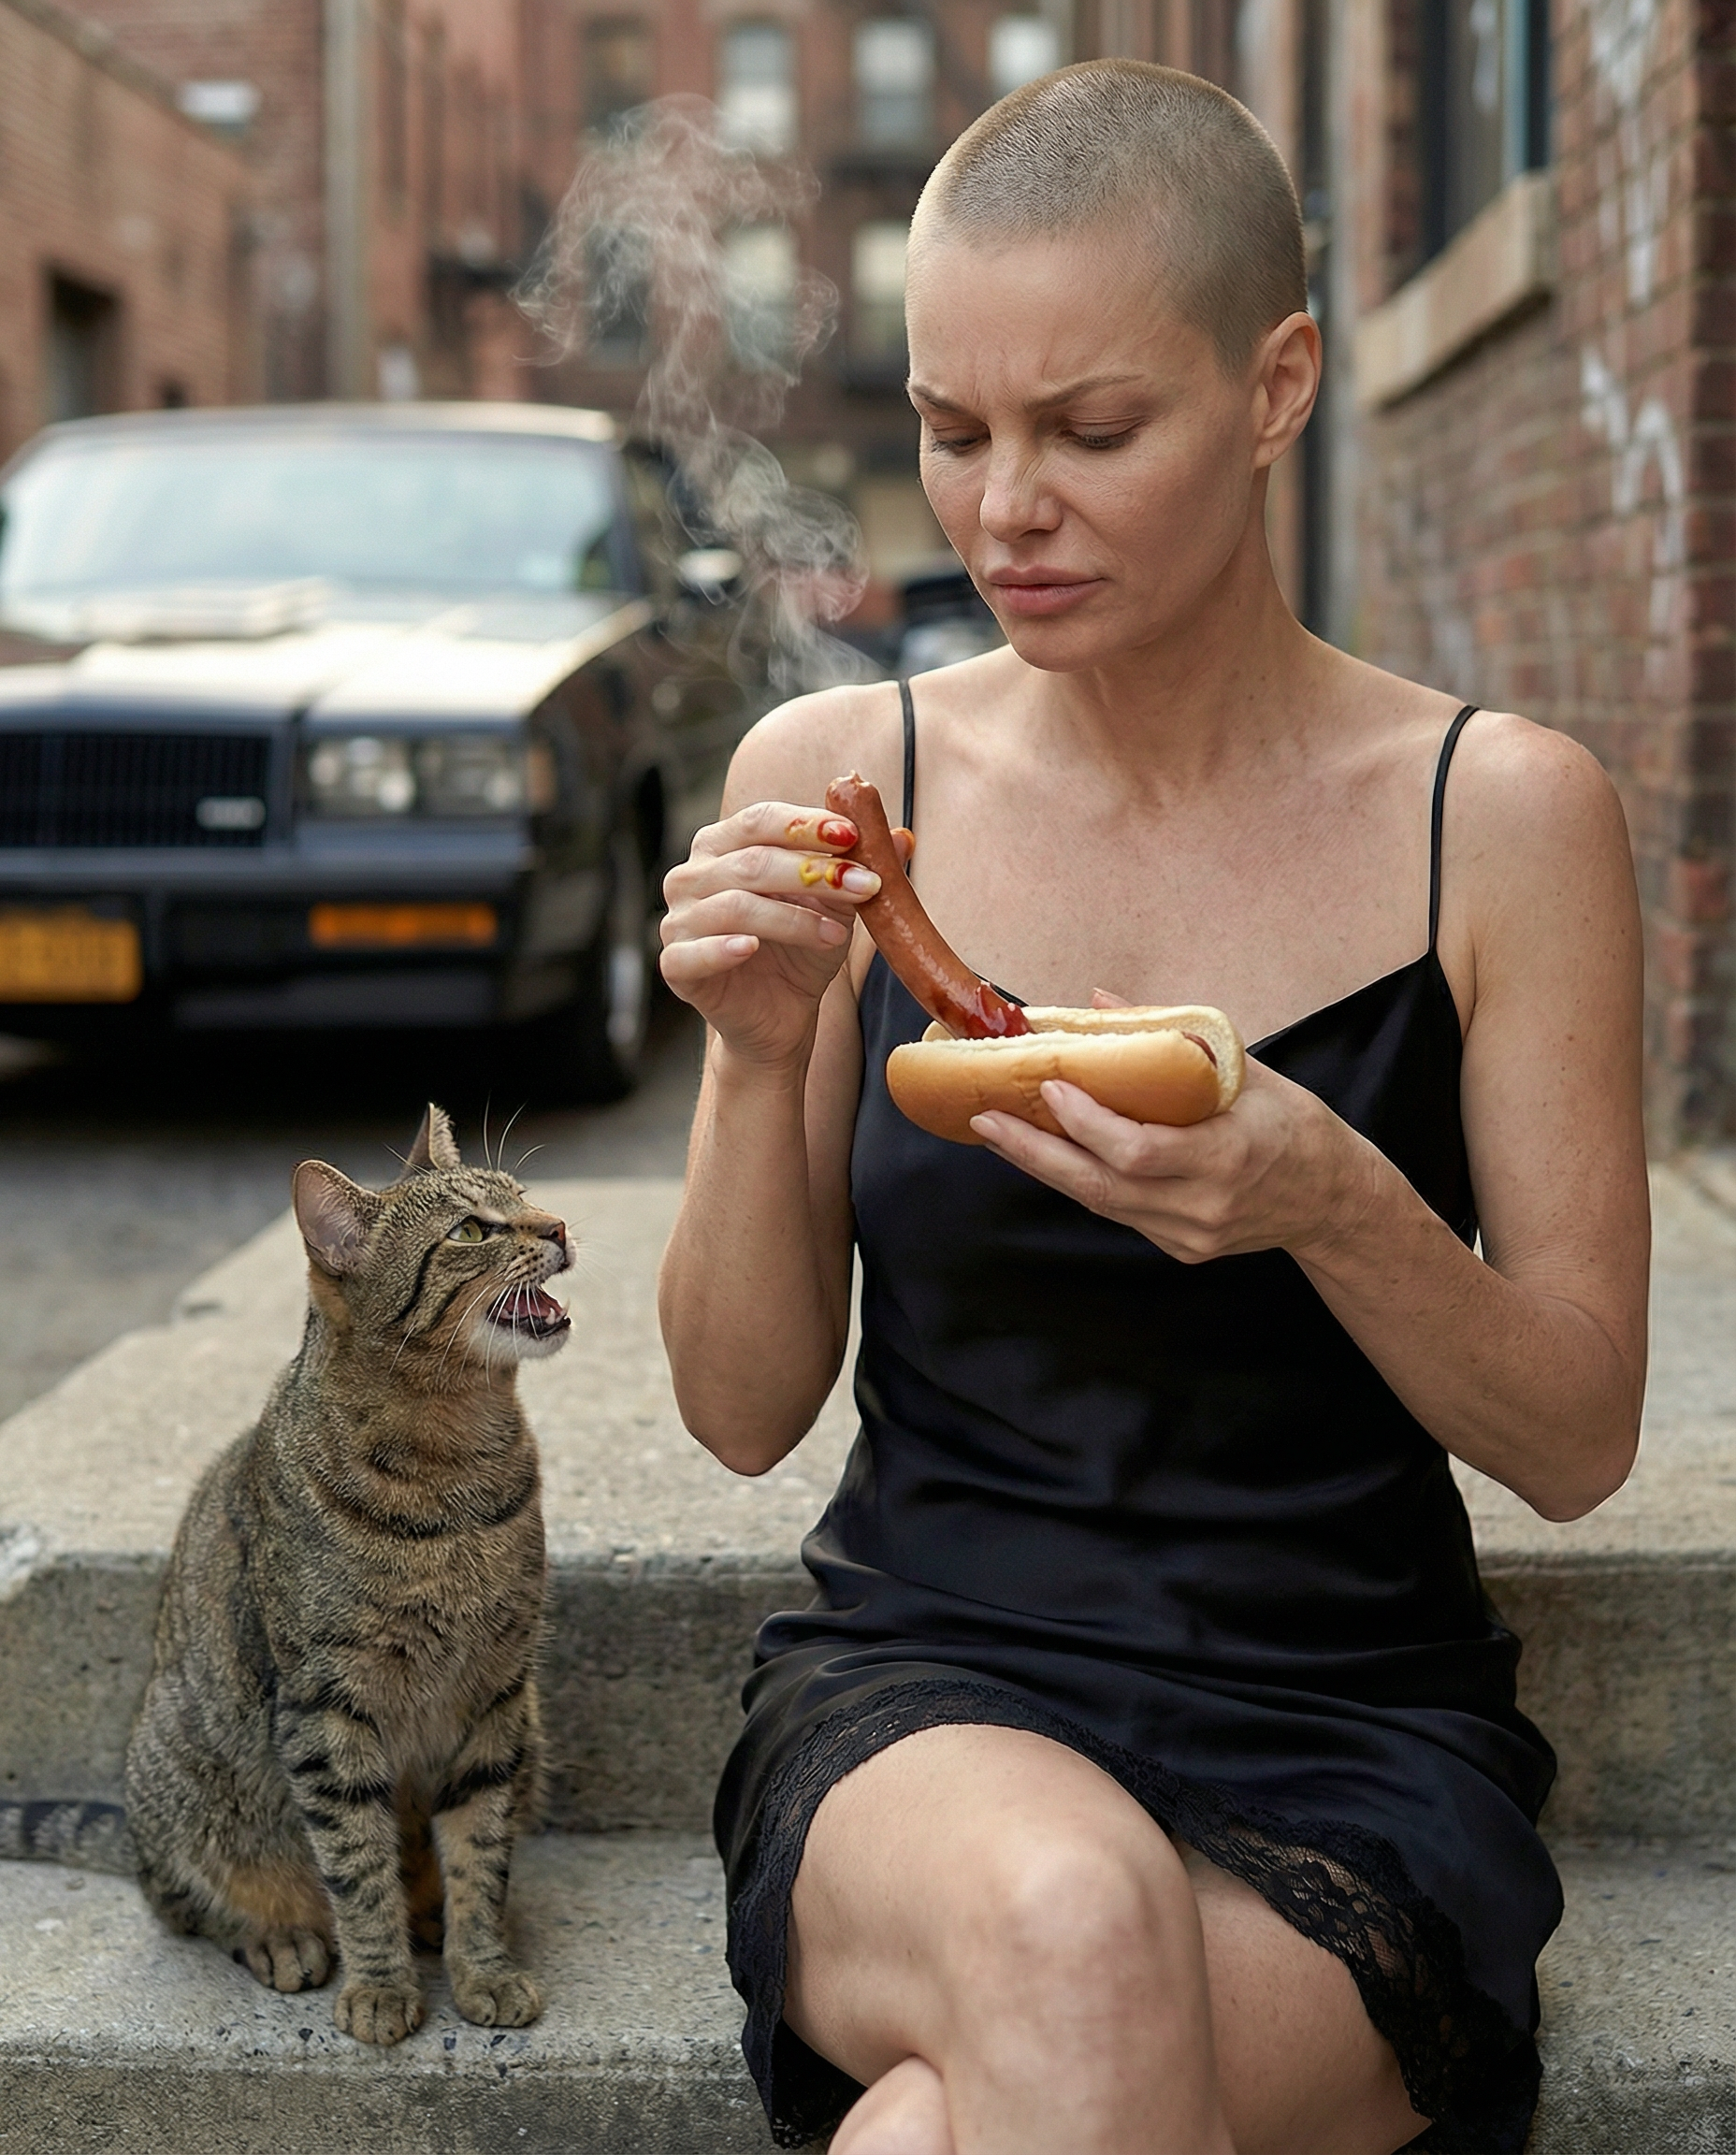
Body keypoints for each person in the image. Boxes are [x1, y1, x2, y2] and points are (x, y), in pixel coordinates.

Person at [657, 60, 1648, 2155]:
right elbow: (744, 1413)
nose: (1005, 508)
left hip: (1349, 1733)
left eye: (1091, 432)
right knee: (1063, 1914)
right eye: (950, 433)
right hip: (922, 1699)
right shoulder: (839, 781)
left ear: (1277, 384)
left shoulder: (1505, 814)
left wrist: (1331, 1200)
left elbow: (1573, 1437)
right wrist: (755, 1060)